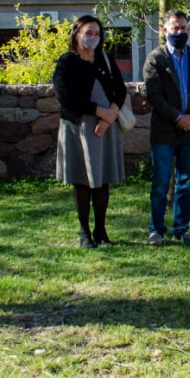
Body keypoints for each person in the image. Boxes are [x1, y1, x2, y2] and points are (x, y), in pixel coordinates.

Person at [52, 15, 127, 249]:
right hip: (79, 128)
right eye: (88, 33)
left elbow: (120, 89)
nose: (93, 37)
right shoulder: (66, 62)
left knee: (102, 179)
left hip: (104, 129)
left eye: (97, 34)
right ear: (76, 34)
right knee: (83, 181)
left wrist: (110, 115)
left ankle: (101, 231)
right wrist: (98, 111)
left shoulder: (105, 59)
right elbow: (66, 98)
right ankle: (84, 232)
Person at [143, 10, 190, 246]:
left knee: (186, 183)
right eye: (175, 28)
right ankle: (156, 230)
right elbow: (154, 95)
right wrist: (177, 117)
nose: (179, 32)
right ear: (165, 31)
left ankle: (181, 229)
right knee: (161, 183)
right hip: (164, 131)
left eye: (183, 28)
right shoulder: (155, 59)